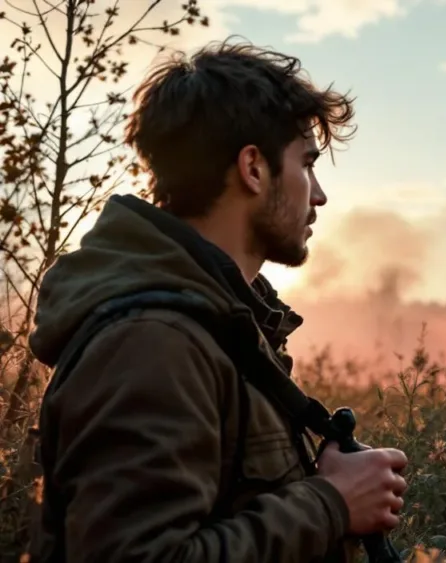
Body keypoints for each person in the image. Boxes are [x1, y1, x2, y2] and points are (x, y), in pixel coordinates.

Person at [27, 41, 408, 563]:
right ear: (253, 168)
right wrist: (332, 504)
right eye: (307, 164)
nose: (318, 195)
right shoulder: (152, 344)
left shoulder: (218, 326)